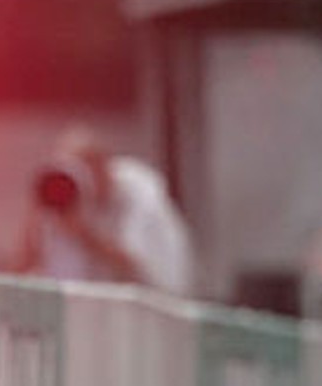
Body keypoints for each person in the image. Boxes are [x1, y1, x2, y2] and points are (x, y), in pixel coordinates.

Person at [18, 125, 193, 295]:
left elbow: (133, 267)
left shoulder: (139, 191)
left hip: (162, 300)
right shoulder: (75, 200)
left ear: (102, 165)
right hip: (104, 306)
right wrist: (40, 208)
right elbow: (23, 270)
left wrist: (84, 235)